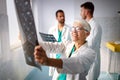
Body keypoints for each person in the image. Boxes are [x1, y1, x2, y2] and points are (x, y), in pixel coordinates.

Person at [80, 2, 102, 80]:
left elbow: (90, 44)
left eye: (81, 11)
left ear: (86, 11)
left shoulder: (95, 26)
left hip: (92, 62)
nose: (80, 13)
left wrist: (79, 43)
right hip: (86, 61)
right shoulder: (87, 25)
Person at [48, 9, 71, 79]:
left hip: (65, 56)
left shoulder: (69, 29)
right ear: (56, 18)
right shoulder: (52, 30)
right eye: (60, 16)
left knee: (64, 76)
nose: (63, 18)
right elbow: (49, 43)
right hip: (55, 55)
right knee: (56, 75)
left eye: (63, 16)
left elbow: (72, 43)